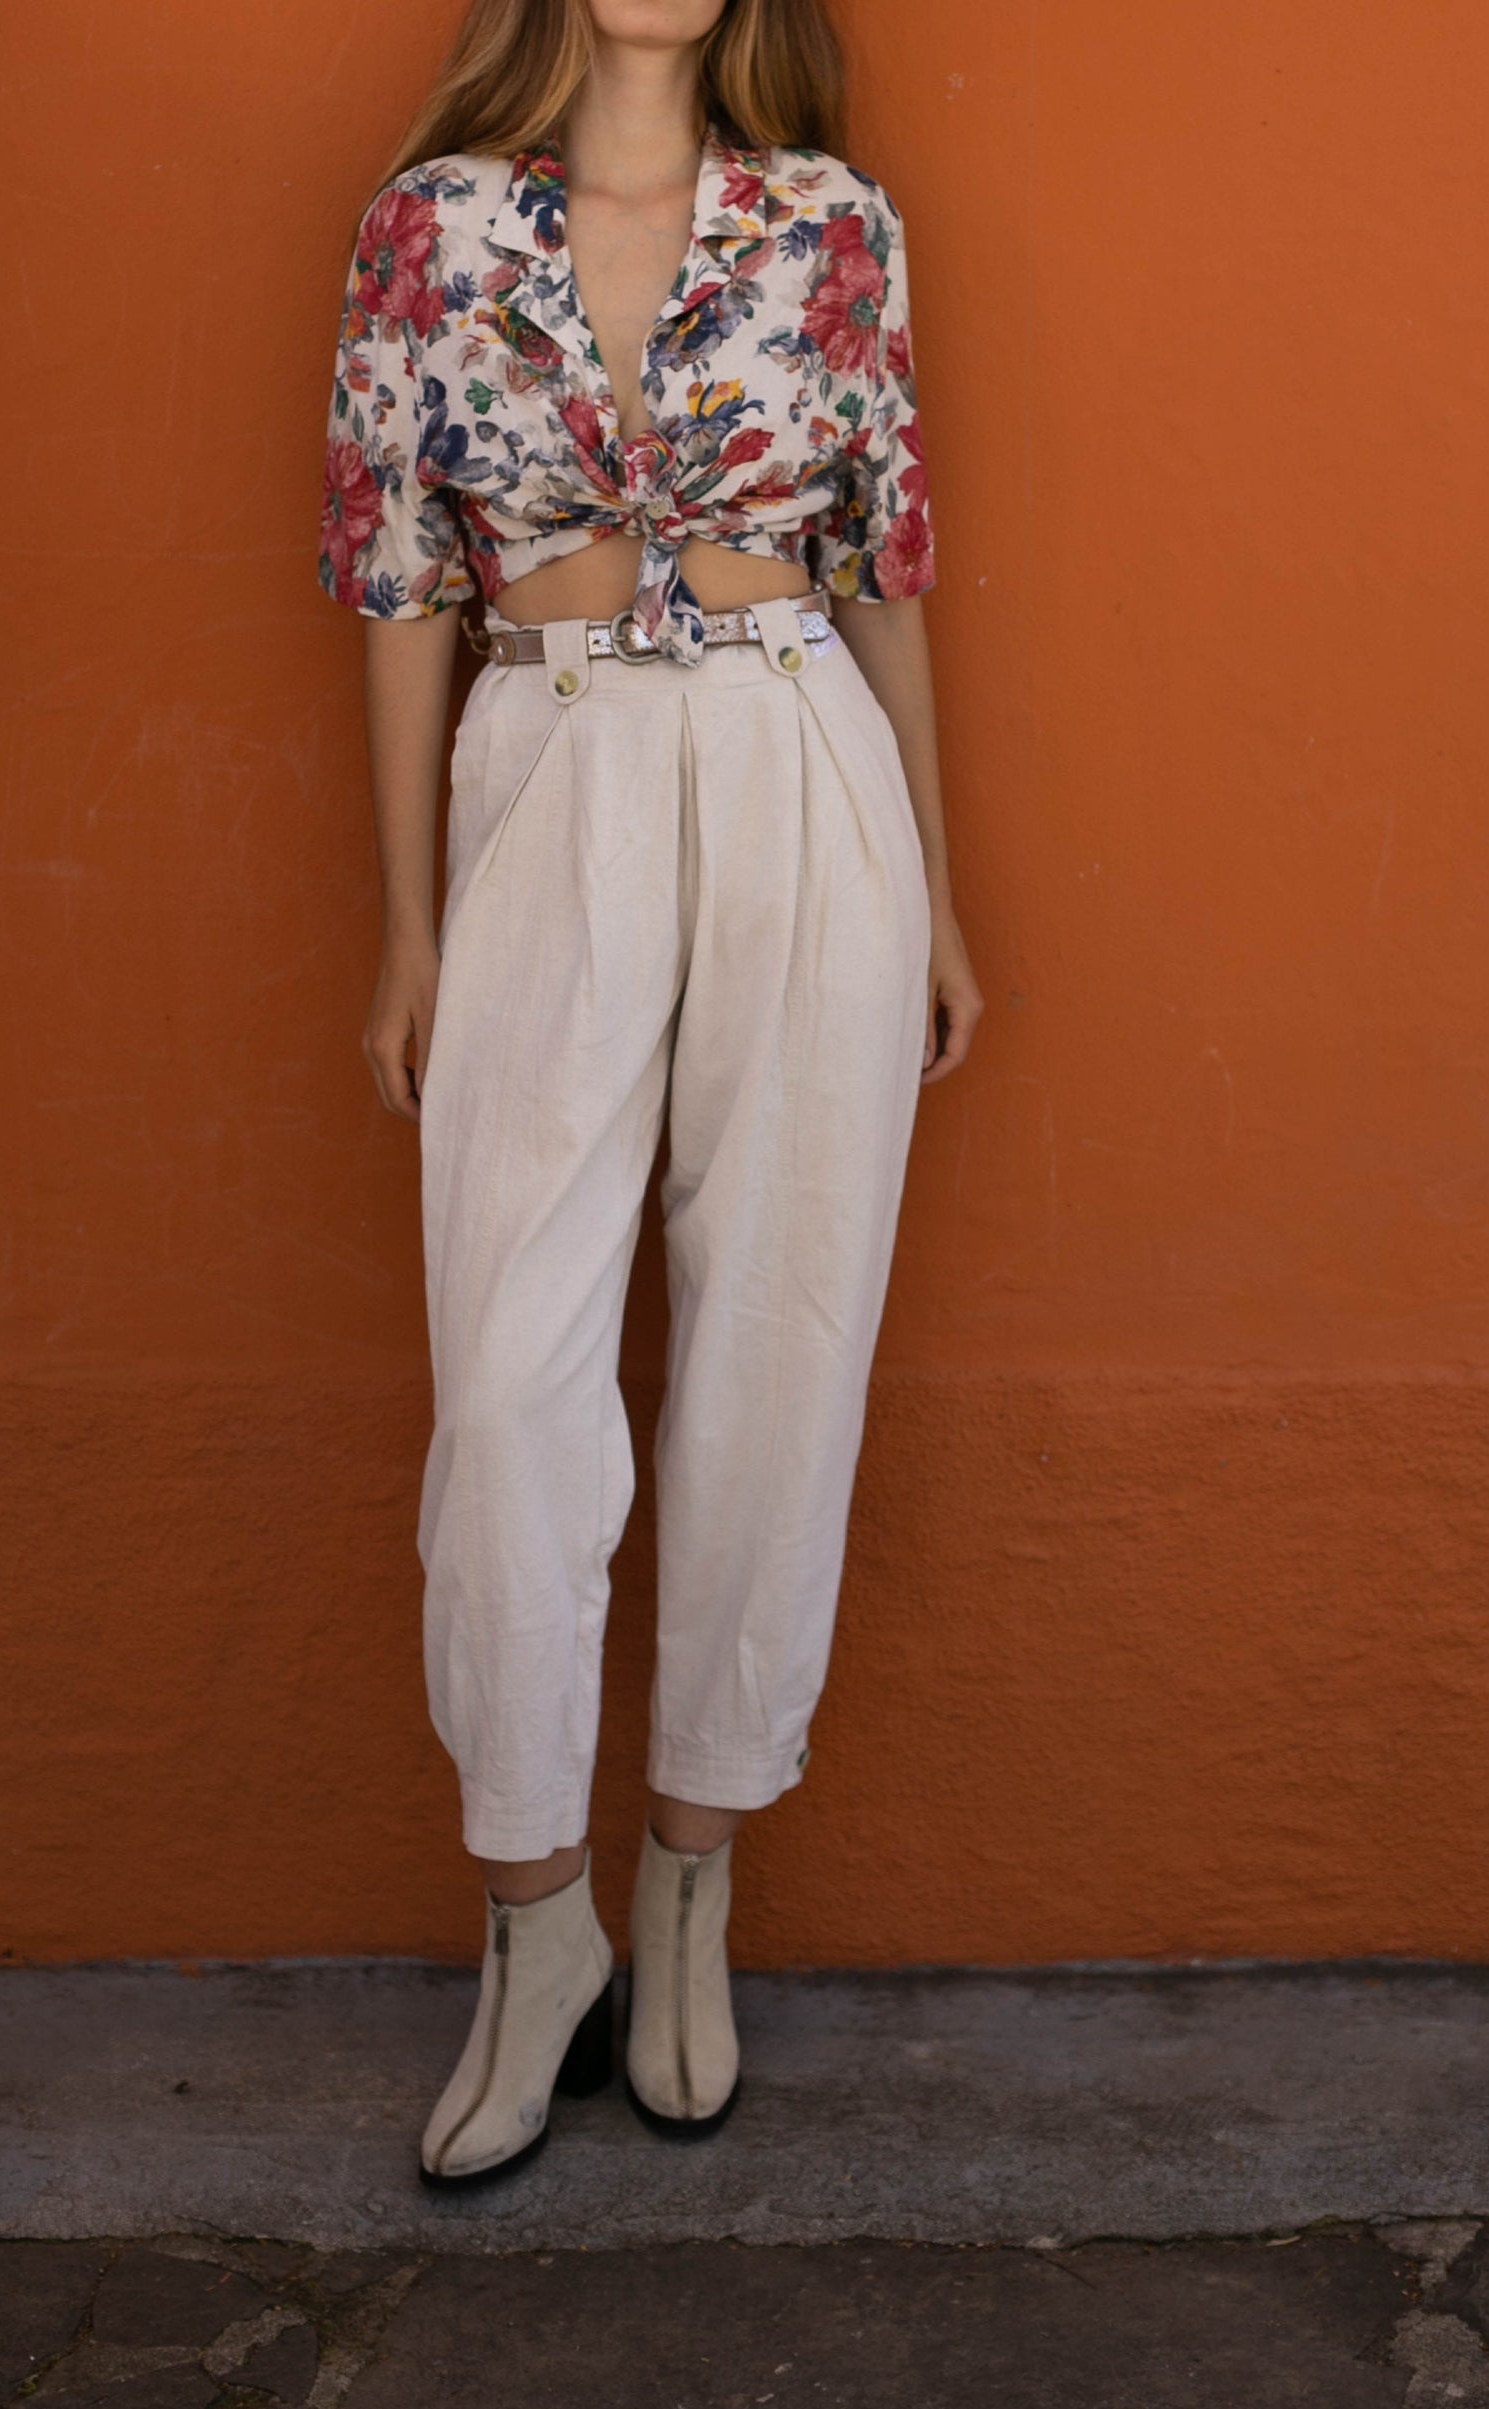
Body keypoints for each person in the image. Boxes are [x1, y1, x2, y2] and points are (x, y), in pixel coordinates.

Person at [318, 0, 981, 2186]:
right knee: (507, 1387)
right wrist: (414, 927)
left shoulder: (832, 226)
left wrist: (941, 901)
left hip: (802, 776)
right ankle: (539, 1921)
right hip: (545, 762)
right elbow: (403, 578)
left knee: (777, 1353)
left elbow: (888, 560)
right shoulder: (426, 231)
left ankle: (691, 1876)